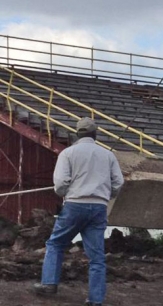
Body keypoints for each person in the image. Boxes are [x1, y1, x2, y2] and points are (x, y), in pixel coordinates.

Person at [33, 117, 124, 306]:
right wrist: (107, 193)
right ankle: (95, 299)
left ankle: (49, 284)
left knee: (56, 244)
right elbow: (118, 182)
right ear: (95, 134)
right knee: (97, 257)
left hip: (75, 204)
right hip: (99, 206)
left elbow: (60, 183)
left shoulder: (68, 153)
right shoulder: (108, 155)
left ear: (77, 133)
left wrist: (65, 192)